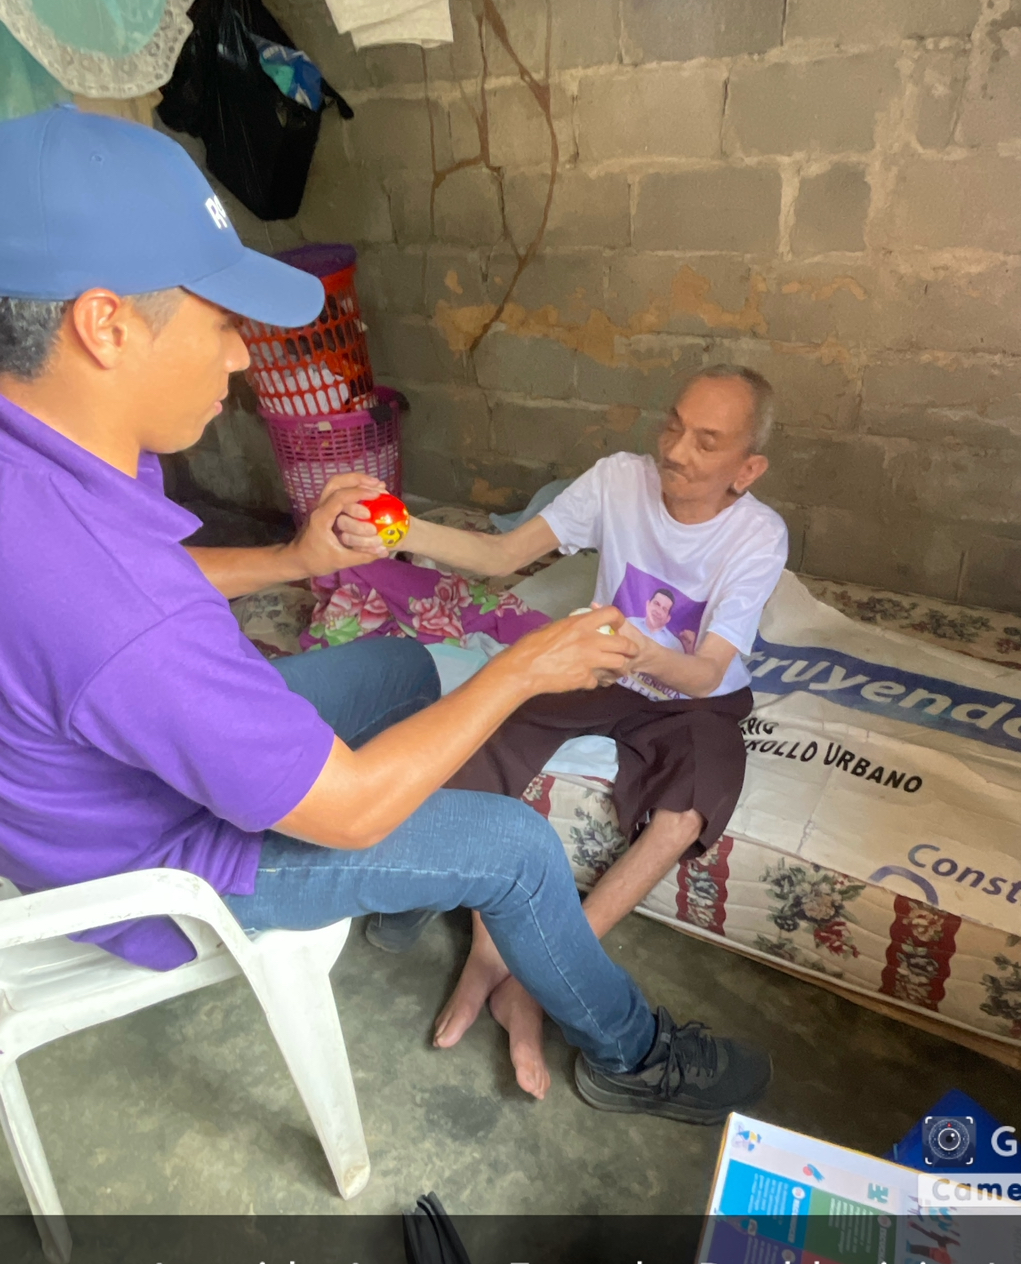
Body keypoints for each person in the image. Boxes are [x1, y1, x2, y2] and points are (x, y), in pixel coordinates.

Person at [0, 106, 772, 1128]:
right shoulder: (123, 614)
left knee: (402, 668)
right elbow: (354, 801)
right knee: (515, 849)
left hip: (105, 777)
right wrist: (524, 667)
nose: (242, 358)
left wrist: (295, 558)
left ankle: (409, 886)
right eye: (223, 321)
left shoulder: (50, 454)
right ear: (105, 325)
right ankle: (633, 1054)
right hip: (164, 859)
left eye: (708, 443)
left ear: (747, 467)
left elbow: (152, 573)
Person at [343, 367, 788, 1099]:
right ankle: (489, 957)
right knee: (491, 729)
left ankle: (528, 977)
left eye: (707, 443)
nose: (677, 451)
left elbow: (708, 670)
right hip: (601, 668)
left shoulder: (758, 535)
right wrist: (392, 523)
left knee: (684, 815)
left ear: (747, 469)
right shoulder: (619, 479)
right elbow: (502, 556)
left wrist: (643, 653)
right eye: (673, 425)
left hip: (692, 697)